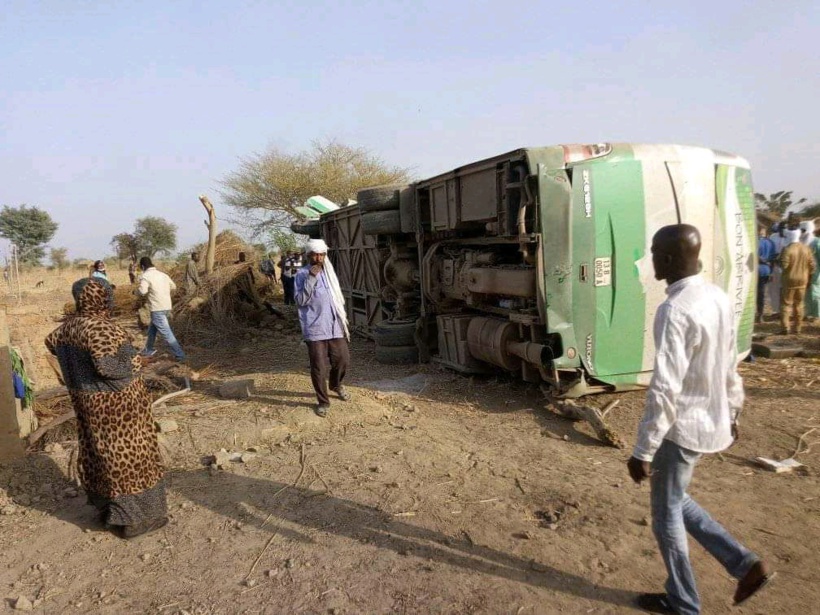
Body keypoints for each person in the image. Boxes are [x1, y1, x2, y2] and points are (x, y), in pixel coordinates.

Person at [627, 224, 772, 615]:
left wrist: (643, 448)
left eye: (655, 252)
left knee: (665, 516)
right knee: (675, 499)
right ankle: (745, 565)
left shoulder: (674, 309)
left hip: (681, 429)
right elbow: (729, 362)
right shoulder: (715, 296)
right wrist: (733, 409)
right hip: (709, 422)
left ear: (669, 259)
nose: (651, 259)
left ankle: (683, 602)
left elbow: (665, 386)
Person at [45, 277, 168, 539]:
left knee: (99, 455)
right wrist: (138, 362)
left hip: (87, 404)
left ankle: (107, 512)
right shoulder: (101, 328)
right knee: (130, 460)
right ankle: (135, 520)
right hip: (118, 408)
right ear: (101, 299)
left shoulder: (67, 328)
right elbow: (110, 367)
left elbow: (51, 344)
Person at [294, 239, 351, 417]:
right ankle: (323, 402)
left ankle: (335, 384)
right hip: (315, 327)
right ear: (308, 255)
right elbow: (300, 301)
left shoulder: (330, 273)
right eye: (315, 255)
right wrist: (311, 278)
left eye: (321, 254)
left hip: (334, 326)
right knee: (319, 366)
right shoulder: (302, 274)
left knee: (342, 359)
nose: (318, 258)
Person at [137, 256, 185, 362]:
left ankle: (180, 355)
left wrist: (136, 292)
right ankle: (148, 350)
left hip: (157, 308)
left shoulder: (146, 276)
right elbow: (173, 286)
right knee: (152, 330)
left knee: (167, 333)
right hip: (167, 306)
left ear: (143, 266)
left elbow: (142, 291)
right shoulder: (163, 274)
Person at [779, 228, 815, 335]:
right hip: (803, 280)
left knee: (786, 304)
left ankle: (785, 327)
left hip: (789, 280)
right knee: (799, 304)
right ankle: (798, 328)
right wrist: (809, 276)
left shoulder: (787, 249)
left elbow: (784, 266)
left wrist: (778, 262)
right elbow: (812, 265)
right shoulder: (806, 248)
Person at [756, 226, 777, 323]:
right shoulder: (770, 242)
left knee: (754, 293)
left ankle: (755, 314)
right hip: (766, 270)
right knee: (762, 293)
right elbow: (774, 259)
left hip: (755, 270)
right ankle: (760, 314)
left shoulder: (755, 242)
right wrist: (771, 272)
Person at [767, 222, 786, 316]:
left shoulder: (791, 237)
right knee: (774, 289)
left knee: (785, 289)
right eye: (781, 228)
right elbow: (770, 251)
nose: (783, 230)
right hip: (775, 266)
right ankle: (776, 310)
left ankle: (785, 311)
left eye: (784, 228)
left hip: (786, 267)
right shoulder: (773, 237)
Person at [806, 226, 820, 320]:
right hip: (813, 271)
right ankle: (813, 313)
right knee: (812, 292)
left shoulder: (814, 242)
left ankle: (814, 313)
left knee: (814, 292)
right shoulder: (816, 242)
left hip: (814, 271)